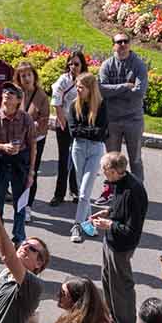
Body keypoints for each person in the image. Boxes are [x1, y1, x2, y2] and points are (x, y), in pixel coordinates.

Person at [92, 150, 147, 323]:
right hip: (111, 240)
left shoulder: (134, 191)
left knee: (121, 287)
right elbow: (119, 209)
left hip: (122, 246)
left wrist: (110, 224)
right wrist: (108, 212)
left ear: (115, 171)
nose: (102, 173)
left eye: (104, 170)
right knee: (108, 282)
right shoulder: (118, 184)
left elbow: (132, 229)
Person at [0, 84, 35, 243]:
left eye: (11, 93)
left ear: (19, 100)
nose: (7, 94)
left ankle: (19, 238)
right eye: (5, 91)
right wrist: (2, 147)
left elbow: (33, 146)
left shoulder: (26, 118)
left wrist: (31, 172)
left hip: (20, 163)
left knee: (20, 205)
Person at [98, 33, 149, 180]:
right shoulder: (107, 65)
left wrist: (114, 91)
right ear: (113, 45)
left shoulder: (138, 65)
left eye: (126, 41)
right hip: (112, 120)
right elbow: (102, 91)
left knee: (135, 160)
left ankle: (137, 192)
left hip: (133, 120)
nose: (123, 44)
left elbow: (139, 92)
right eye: (119, 42)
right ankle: (112, 192)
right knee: (112, 160)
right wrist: (126, 86)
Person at [64, 70, 108, 239]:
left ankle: (77, 226)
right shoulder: (74, 105)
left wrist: (86, 131)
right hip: (78, 149)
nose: (78, 90)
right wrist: (89, 131)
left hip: (95, 149)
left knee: (83, 193)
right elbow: (73, 131)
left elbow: (101, 132)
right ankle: (89, 224)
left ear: (90, 88)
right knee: (85, 191)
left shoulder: (101, 105)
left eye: (81, 87)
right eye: (77, 86)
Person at [48, 50, 89, 205]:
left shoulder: (87, 80)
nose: (73, 66)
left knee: (78, 159)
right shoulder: (63, 80)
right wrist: (62, 122)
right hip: (64, 125)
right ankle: (59, 194)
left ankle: (76, 191)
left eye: (76, 64)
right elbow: (56, 102)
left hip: (81, 126)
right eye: (70, 63)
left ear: (82, 65)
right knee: (64, 160)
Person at [13, 62, 53, 204]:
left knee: (31, 171)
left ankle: (28, 204)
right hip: (18, 139)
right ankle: (19, 201)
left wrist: (31, 126)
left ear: (34, 76)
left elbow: (44, 119)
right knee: (17, 171)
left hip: (36, 139)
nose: (26, 78)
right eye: (23, 75)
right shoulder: (16, 93)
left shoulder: (41, 95)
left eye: (29, 74)